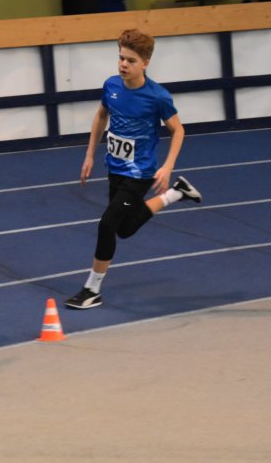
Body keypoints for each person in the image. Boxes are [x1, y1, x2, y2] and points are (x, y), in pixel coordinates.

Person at [64, 29, 202, 310]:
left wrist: (167, 166)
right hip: (115, 167)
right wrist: (89, 155)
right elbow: (101, 116)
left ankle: (92, 290)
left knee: (107, 225)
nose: (123, 65)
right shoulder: (111, 85)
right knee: (125, 229)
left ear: (145, 63)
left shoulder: (157, 96)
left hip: (140, 173)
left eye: (131, 60)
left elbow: (178, 130)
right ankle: (177, 193)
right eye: (121, 58)